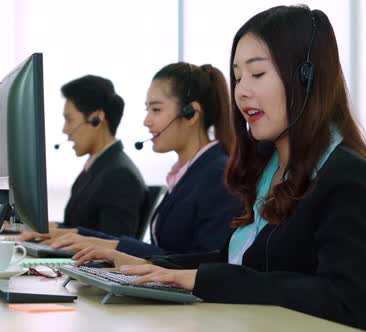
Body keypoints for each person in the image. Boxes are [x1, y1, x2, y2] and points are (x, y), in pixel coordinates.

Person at [74, 6, 366, 329]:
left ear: (306, 78)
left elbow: (347, 300)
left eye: (257, 74)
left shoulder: (346, 177)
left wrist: (200, 281)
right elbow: (233, 261)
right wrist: (147, 265)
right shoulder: (269, 169)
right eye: (238, 77)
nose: (241, 91)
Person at [41, 62, 242, 258]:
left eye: (156, 110)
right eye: (147, 110)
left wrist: (113, 247)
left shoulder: (218, 175)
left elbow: (202, 263)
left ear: (190, 114)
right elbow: (171, 252)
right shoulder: (188, 173)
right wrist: (84, 238)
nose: (146, 121)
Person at [24, 75, 146, 238]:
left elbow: (112, 243)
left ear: (97, 119)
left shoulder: (120, 175)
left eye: (70, 120)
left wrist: (55, 235)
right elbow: (76, 225)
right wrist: (31, 228)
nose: (65, 130)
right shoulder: (98, 166)